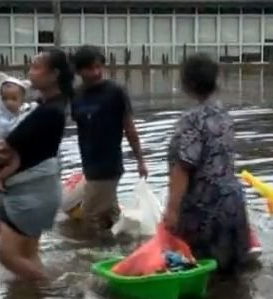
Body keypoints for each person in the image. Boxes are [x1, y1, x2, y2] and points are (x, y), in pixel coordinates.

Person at [0, 48, 73, 280]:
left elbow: (4, 149)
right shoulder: (47, 105)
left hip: (31, 193)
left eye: (36, 68)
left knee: (7, 255)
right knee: (28, 252)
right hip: (40, 190)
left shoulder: (48, 112)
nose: (30, 73)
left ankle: (53, 290)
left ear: (53, 74)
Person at [163, 54, 250, 275]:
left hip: (204, 209)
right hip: (233, 202)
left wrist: (172, 210)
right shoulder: (223, 114)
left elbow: (183, 166)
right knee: (234, 276)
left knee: (201, 272)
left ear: (187, 84)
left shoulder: (191, 120)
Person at [71, 45, 147, 231]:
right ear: (79, 71)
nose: (96, 72)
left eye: (99, 67)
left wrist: (140, 160)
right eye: (90, 68)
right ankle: (122, 246)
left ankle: (86, 257)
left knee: (89, 217)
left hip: (108, 167)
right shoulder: (77, 96)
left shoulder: (115, 92)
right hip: (89, 165)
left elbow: (129, 127)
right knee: (108, 216)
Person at [0, 73, 34, 192]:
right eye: (5, 99)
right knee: (15, 161)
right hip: (2, 144)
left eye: (13, 99)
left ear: (21, 100)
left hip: (6, 144)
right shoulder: (1, 115)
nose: (9, 103)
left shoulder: (23, 110)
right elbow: (7, 130)